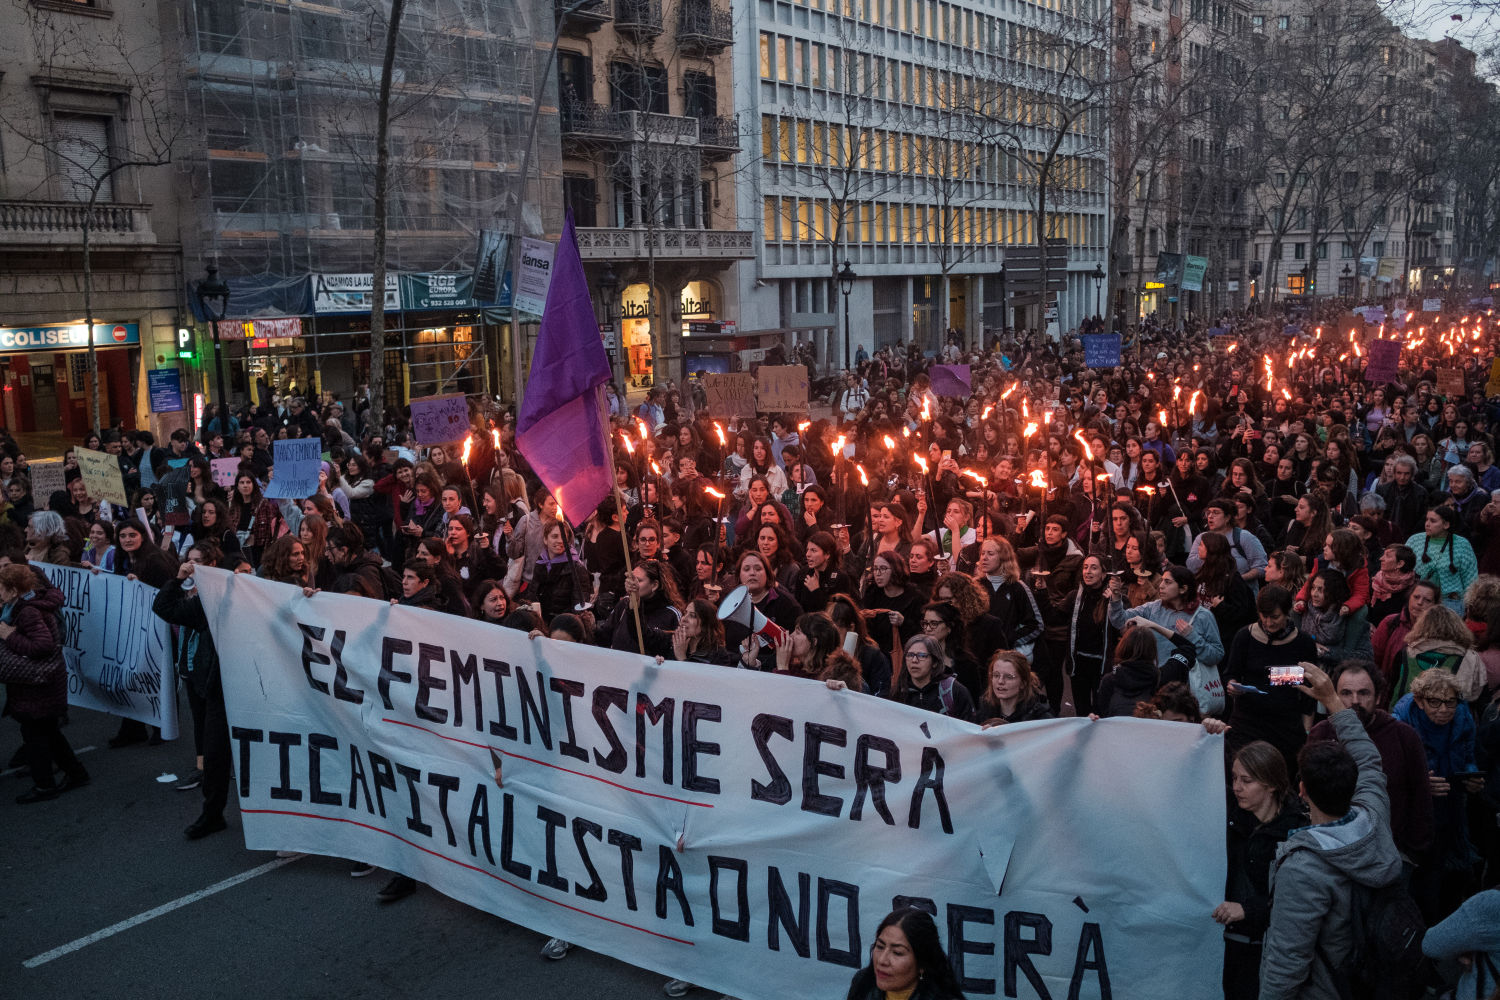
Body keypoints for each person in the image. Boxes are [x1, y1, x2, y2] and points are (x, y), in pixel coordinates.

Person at [1258, 662, 1404, 1000]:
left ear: (1303, 791)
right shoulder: (1375, 816)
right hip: (1372, 980)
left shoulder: (1302, 867)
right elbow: (1369, 760)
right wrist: (1334, 703)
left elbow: (1287, 961)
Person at [1216, 740, 1306, 1000]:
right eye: (1234, 778)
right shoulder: (1231, 815)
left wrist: (1249, 909)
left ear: (1272, 784)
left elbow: (1298, 903)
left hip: (1266, 953)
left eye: (1247, 781)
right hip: (1227, 945)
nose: (1236, 787)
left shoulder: (1296, 834)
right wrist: (1210, 732)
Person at [153, 551, 234, 839]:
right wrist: (178, 580)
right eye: (239, 574)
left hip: (257, 695)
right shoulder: (210, 604)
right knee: (214, 757)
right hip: (219, 693)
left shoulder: (263, 604)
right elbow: (165, 608)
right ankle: (212, 815)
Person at [1392, 669, 1484, 918]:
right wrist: (1422, 783)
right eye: (1435, 702)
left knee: (1447, 869)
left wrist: (1471, 777)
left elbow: (1468, 755)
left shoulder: (1463, 718)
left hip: (1451, 801)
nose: (1444, 709)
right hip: (1416, 809)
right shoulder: (1402, 720)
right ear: (1420, 701)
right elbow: (1394, 770)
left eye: (1450, 702)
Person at [0, 563, 86, 803]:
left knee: (35, 736)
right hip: (41, 685)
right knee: (49, 733)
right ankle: (76, 773)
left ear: (13, 590)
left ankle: (45, 785)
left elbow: (43, 646)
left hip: (38, 687)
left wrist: (9, 635)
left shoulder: (27, 611)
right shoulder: (23, 606)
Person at [1222, 585, 1320, 778]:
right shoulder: (1245, 637)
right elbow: (1230, 672)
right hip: (1248, 721)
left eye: (1274, 617)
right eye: (1263, 616)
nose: (1268, 622)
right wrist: (1232, 685)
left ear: (1287, 613)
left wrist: (1306, 733)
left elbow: (1308, 693)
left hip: (1284, 726)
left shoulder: (1303, 643)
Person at [844, 907, 965, 1000]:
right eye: (880, 946)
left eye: (897, 953)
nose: (882, 960)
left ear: (922, 963)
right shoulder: (863, 984)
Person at [1407, 506, 1478, 612]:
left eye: (1433, 521)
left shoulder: (1462, 545)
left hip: (1451, 603)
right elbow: (1404, 569)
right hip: (1419, 600)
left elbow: (1471, 579)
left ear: (1446, 524)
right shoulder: (1415, 540)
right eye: (1426, 519)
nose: (1427, 524)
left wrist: (1468, 606)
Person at [890, 634, 974, 719]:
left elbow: (969, 727)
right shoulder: (899, 691)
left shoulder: (954, 691)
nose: (914, 660)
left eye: (922, 656)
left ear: (935, 662)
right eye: (910, 655)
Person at [973, 648, 1053, 725]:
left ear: (1023, 683)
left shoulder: (1040, 719)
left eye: (1009, 677)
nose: (1000, 681)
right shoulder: (984, 712)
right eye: (996, 675)